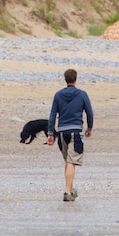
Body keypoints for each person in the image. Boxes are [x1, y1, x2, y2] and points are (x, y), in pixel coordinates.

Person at [47, 69, 94, 202]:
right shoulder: (82, 94)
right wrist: (89, 128)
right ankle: (67, 191)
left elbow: (52, 115)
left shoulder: (58, 95)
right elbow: (89, 113)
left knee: (68, 161)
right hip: (76, 131)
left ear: (65, 79)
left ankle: (71, 190)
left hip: (62, 132)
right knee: (71, 162)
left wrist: (51, 132)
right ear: (76, 79)